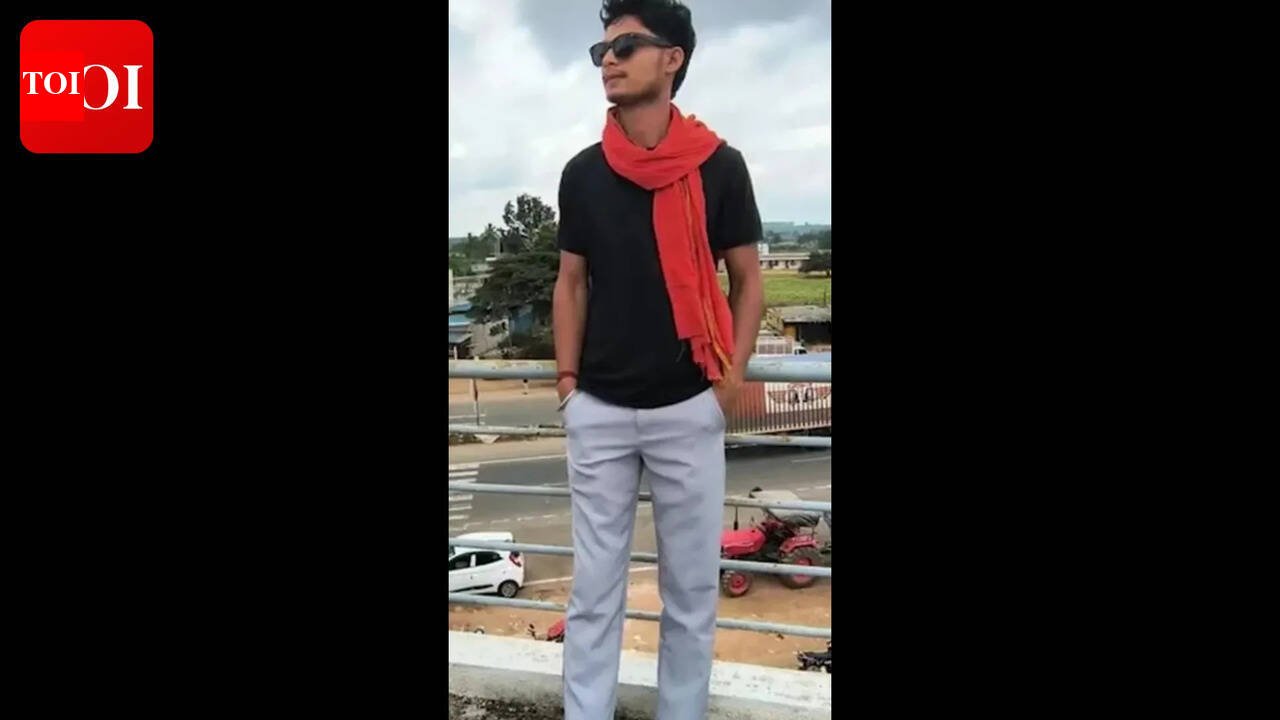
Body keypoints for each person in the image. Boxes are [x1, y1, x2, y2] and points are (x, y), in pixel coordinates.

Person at [551, 1, 764, 717]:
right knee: (594, 591)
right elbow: (570, 282)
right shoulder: (583, 173)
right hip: (600, 410)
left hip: (689, 406)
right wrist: (568, 385)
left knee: (692, 592)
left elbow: (748, 280)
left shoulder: (720, 167)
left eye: (626, 47)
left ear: (672, 59)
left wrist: (728, 380)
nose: (607, 61)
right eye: (601, 51)